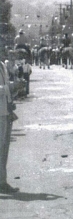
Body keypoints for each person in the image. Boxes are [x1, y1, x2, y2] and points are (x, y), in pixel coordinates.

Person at [0, 60, 18, 194]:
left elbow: (5, 85)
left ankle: (2, 182)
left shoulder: (1, 65)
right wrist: (9, 88)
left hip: (4, 112)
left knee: (4, 149)